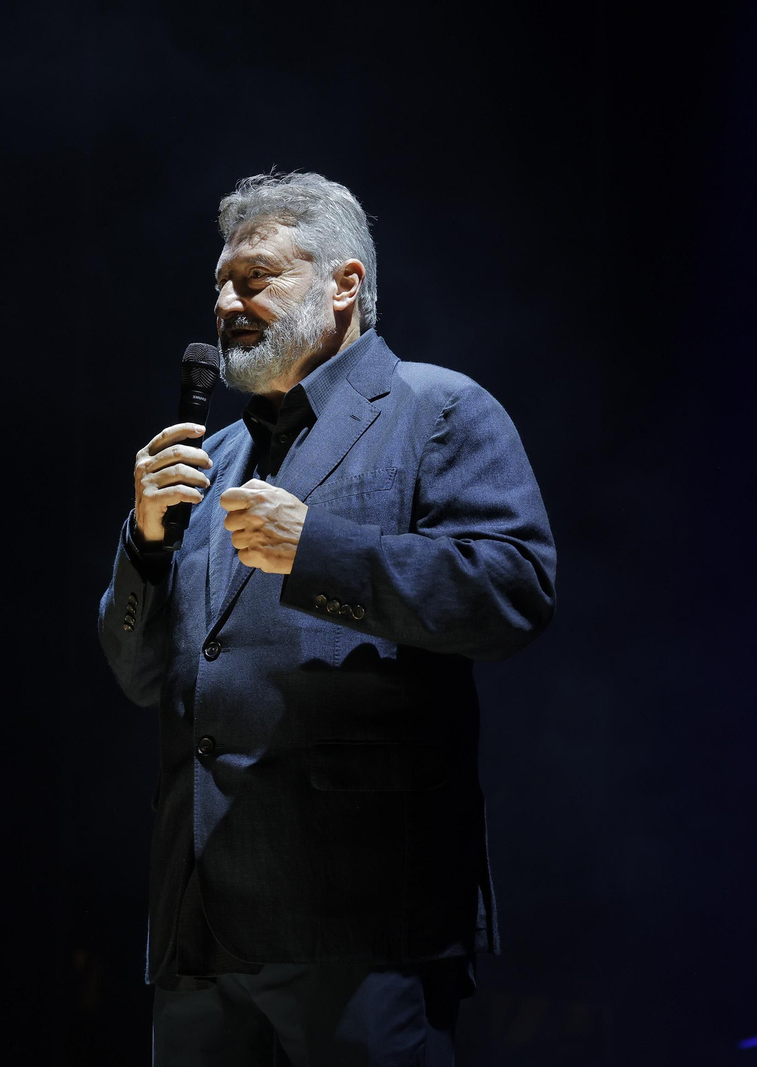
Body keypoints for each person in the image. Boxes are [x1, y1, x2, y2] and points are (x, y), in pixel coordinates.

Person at [98, 172, 556, 1066]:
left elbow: (514, 592)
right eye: (221, 285)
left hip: (357, 917)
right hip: (199, 925)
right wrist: (144, 543)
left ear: (344, 283)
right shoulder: (211, 457)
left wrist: (317, 552)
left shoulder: (438, 410)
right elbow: (138, 672)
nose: (229, 301)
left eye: (257, 278)